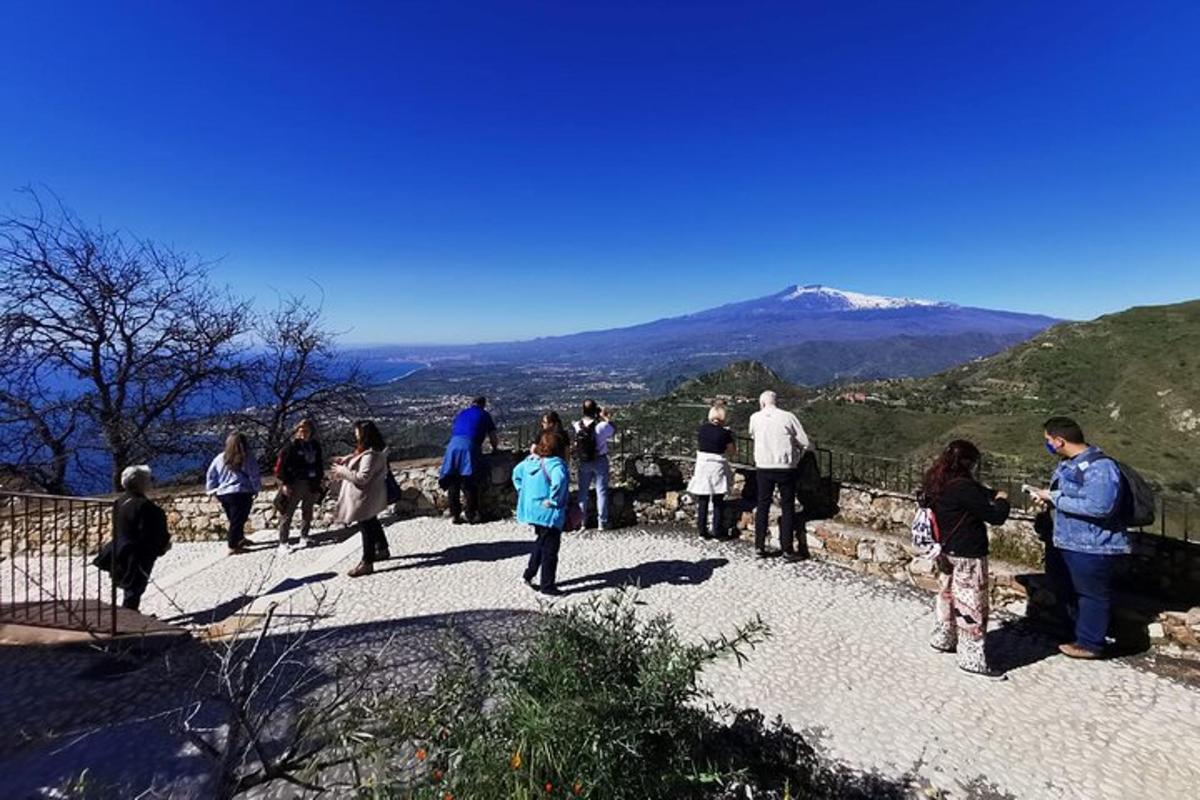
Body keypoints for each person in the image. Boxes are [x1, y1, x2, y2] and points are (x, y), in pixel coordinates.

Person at [1030, 416, 1129, 660]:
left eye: (1048, 441)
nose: (1048, 445)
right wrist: (1048, 497)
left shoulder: (1101, 468)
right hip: (1065, 540)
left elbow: (1101, 506)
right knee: (1066, 588)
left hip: (1092, 544)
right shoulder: (1068, 464)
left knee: (1091, 593)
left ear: (1059, 441)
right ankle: (1074, 633)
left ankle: (1090, 643)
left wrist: (1056, 499)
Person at [920, 440, 1011, 678]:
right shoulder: (963, 487)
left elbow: (971, 492)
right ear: (969, 463)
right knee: (971, 604)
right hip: (968, 553)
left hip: (944, 549)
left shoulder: (935, 481)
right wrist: (1002, 500)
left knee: (947, 596)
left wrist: (987, 492)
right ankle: (971, 657)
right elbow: (994, 516)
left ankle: (943, 637)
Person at [748, 390, 810, 560]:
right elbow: (804, 441)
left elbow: (753, 435)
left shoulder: (755, 418)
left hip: (763, 466)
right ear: (776, 402)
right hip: (786, 467)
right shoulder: (788, 417)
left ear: (762, 403)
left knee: (763, 505)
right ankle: (787, 549)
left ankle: (759, 546)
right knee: (788, 506)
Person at [514, 429, 570, 595]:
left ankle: (528, 574)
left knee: (540, 542)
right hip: (549, 513)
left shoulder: (529, 462)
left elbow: (516, 474)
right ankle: (547, 586)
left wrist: (523, 492)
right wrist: (554, 501)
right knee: (550, 551)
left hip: (533, 511)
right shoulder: (556, 465)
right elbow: (559, 482)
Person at [333, 419, 390, 577]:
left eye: (357, 431)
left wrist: (342, 470)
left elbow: (362, 477)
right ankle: (382, 548)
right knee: (372, 522)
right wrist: (348, 458)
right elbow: (362, 457)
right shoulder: (374, 451)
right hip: (370, 495)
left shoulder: (370, 454)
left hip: (364, 496)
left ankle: (367, 561)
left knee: (366, 527)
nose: (355, 434)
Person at [109, 465, 171, 611]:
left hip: (119, 549)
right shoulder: (148, 507)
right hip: (139, 554)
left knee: (129, 587)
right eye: (149, 479)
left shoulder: (119, 502)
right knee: (135, 589)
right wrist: (162, 547)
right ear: (141, 483)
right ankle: (129, 619)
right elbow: (153, 533)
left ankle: (129, 614)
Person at [439, 396, 499, 524]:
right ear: (483, 404)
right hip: (469, 447)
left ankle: (455, 514)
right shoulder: (484, 414)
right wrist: (495, 449)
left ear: (472, 404)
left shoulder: (462, 413)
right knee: (469, 481)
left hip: (452, 446)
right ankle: (471, 514)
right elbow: (492, 435)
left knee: (453, 481)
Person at [206, 432, 262, 555]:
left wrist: (212, 490)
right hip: (241, 492)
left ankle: (240, 538)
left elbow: (211, 475)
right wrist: (256, 488)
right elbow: (254, 475)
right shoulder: (247, 458)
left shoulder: (219, 458)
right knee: (238, 520)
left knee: (234, 518)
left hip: (224, 494)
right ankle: (233, 545)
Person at [686, 404, 736, 539]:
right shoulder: (725, 433)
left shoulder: (702, 429)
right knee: (718, 499)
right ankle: (717, 530)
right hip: (716, 466)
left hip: (702, 465)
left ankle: (702, 530)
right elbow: (732, 451)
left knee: (703, 499)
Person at [275, 418, 325, 551]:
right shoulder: (290, 447)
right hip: (295, 483)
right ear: (296, 431)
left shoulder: (315, 446)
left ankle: (304, 536)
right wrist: (285, 483)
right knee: (287, 512)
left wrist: (320, 480)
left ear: (311, 432)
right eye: (301, 430)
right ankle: (283, 542)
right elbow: (281, 467)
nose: (303, 433)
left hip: (311, 482)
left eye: (306, 430)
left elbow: (319, 463)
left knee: (307, 511)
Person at [574, 399, 616, 530]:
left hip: (584, 461)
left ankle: (581, 521)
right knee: (601, 492)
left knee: (583, 492)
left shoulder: (577, 425)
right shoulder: (601, 426)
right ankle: (602, 522)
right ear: (595, 411)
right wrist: (605, 417)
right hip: (600, 460)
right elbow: (613, 429)